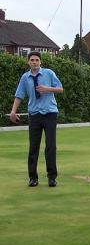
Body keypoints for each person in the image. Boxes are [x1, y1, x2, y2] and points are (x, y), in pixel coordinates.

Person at [10, 51, 63, 187]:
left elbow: (60, 89)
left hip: (50, 113)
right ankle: (33, 178)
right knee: (33, 146)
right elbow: (19, 95)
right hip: (34, 115)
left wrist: (47, 88)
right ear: (28, 62)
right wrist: (13, 111)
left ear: (40, 62)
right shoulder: (25, 77)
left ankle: (52, 177)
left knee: (51, 146)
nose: (34, 62)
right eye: (32, 60)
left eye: (37, 60)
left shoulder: (49, 73)